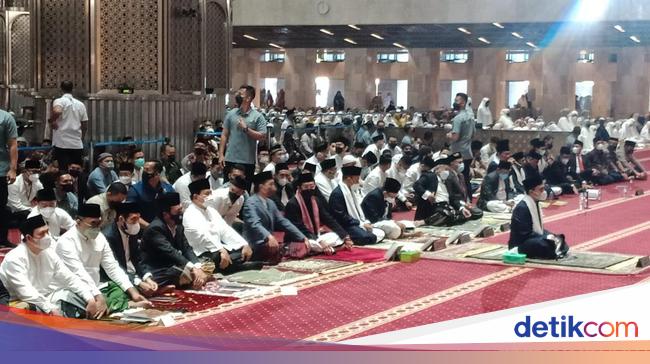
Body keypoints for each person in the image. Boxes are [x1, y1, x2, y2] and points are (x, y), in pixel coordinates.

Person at [55, 204, 151, 314]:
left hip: (97, 286)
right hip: (75, 289)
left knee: (120, 289)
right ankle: (126, 305)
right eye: (93, 224)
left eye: (99, 223)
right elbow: (79, 273)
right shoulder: (66, 242)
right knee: (83, 302)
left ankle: (119, 304)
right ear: (78, 221)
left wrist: (134, 292)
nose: (96, 228)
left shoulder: (99, 237)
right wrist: (98, 297)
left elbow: (112, 267)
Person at [0, 215, 103, 318]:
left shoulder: (49, 253)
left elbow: (69, 278)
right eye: (42, 234)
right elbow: (26, 292)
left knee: (74, 294)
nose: (47, 236)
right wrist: (50, 309)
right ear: (29, 238)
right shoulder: (14, 258)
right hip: (20, 302)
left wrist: (90, 298)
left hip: (46, 298)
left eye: (47, 232)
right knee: (27, 309)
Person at [183, 179, 255, 273]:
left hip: (219, 247)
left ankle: (232, 264)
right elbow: (204, 237)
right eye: (207, 194)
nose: (210, 196)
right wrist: (221, 250)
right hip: (203, 252)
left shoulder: (211, 211)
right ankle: (235, 265)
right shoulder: (190, 213)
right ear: (196, 197)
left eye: (210, 193)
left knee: (247, 248)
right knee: (218, 257)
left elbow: (225, 229)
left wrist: (243, 244)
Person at [140, 193, 208, 288]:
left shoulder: (178, 225)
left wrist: (197, 267)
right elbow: (170, 251)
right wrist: (192, 268)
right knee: (181, 272)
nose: (181, 213)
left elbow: (186, 248)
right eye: (178, 211)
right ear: (166, 214)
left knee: (204, 265)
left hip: (172, 265)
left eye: (181, 209)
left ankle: (188, 279)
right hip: (157, 268)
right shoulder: (155, 228)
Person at [243, 171, 310, 262]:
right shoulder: (251, 202)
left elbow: (283, 222)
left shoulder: (270, 202)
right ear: (261, 186)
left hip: (270, 242)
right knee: (285, 249)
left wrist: (302, 237)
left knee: (302, 244)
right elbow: (255, 224)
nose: (273, 187)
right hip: (255, 243)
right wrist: (269, 237)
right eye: (270, 184)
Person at [284, 173, 353, 255]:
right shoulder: (292, 204)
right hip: (299, 237)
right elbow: (299, 227)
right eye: (306, 187)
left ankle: (325, 248)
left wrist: (345, 236)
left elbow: (328, 219)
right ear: (299, 188)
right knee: (311, 244)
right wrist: (318, 240)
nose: (309, 189)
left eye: (312, 186)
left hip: (315, 235)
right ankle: (331, 248)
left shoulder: (316, 200)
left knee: (336, 236)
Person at [102, 202, 158, 297]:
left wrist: (147, 278)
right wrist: (138, 282)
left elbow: (137, 258)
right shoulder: (108, 236)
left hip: (132, 271)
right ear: (121, 219)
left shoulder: (131, 230)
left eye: (138, 218)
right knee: (119, 291)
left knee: (156, 273)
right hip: (118, 274)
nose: (136, 223)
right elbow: (115, 268)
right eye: (133, 219)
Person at [509, 175, 569, 259]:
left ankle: (554, 248)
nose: (544, 192)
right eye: (541, 189)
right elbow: (524, 234)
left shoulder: (535, 202)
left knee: (558, 238)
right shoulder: (522, 207)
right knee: (544, 244)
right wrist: (544, 237)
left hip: (533, 238)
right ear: (531, 191)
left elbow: (538, 229)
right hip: (521, 243)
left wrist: (549, 236)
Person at [219, 85, 267, 189]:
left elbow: (262, 136)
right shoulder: (230, 114)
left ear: (248, 98)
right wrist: (221, 155)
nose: (237, 95)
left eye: (240, 94)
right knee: (227, 188)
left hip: (247, 161)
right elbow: (224, 134)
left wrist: (246, 129)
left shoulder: (258, 116)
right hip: (230, 158)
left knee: (244, 190)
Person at [329, 166, 385, 245]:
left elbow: (357, 211)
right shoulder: (337, 194)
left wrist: (364, 222)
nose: (358, 181)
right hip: (345, 225)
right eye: (357, 178)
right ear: (349, 178)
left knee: (380, 233)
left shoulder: (350, 190)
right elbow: (341, 216)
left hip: (354, 223)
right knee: (369, 237)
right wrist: (360, 224)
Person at [50, 81, 88, 171]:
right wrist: (81, 138)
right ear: (72, 90)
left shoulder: (59, 101)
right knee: (76, 171)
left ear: (61, 89)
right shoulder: (80, 104)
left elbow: (57, 111)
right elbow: (85, 124)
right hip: (76, 144)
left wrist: (52, 120)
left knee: (63, 171)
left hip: (62, 144)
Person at [447, 92, 475, 195]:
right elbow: (473, 134)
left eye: (456, 101)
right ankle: (469, 199)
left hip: (458, 153)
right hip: (468, 152)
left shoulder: (458, 118)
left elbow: (455, 137)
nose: (454, 103)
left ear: (463, 103)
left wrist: (449, 135)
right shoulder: (471, 117)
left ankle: (461, 200)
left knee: (458, 179)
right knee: (466, 178)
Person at [0, 107, 18, 246]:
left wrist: (13, 169)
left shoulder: (6, 117)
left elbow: (12, 144)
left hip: (1, 168)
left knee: (1, 206)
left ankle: (2, 239)